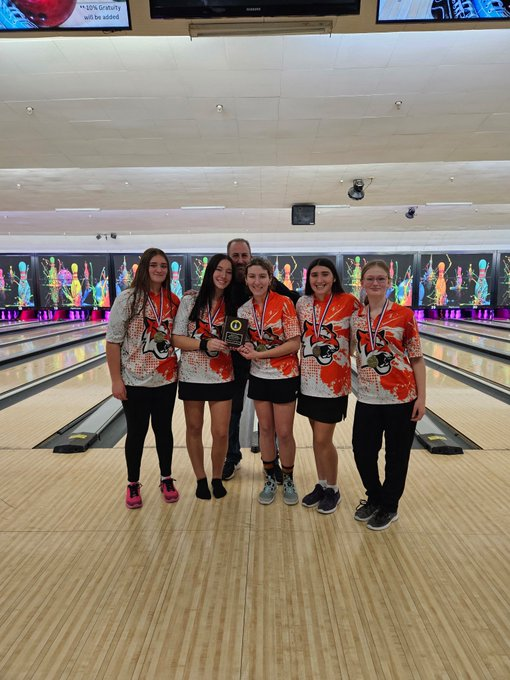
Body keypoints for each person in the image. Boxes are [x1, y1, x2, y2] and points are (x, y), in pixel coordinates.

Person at [351, 260, 426, 530]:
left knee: (396, 456)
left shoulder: (404, 315)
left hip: (402, 398)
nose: (375, 283)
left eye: (380, 279)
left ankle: (390, 506)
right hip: (368, 397)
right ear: (362, 283)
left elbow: (416, 359)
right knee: (362, 451)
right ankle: (374, 497)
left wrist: (422, 398)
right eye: (370, 279)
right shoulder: (356, 317)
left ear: (388, 283)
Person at [106, 248, 180, 509]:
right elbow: (113, 341)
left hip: (166, 379)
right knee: (136, 433)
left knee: (164, 431)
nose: (160, 270)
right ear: (145, 268)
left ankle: (166, 477)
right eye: (154, 265)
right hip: (135, 380)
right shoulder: (127, 299)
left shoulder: (172, 300)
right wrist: (116, 380)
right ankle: (133, 483)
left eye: (164, 265)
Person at [221, 238, 299, 482]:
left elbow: (294, 299)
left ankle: (279, 465)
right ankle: (232, 458)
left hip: (269, 364)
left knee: (279, 426)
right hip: (238, 360)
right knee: (234, 413)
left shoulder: (273, 289)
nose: (241, 260)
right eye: (236, 256)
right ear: (229, 258)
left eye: (245, 255)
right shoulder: (224, 284)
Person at [296, 258, 360, 514]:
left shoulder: (349, 302)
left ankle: (333, 488)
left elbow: (361, 335)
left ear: (334, 277)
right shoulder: (302, 303)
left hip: (334, 383)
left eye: (324, 274)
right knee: (316, 438)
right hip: (308, 380)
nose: (319, 280)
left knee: (324, 438)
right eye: (314, 275)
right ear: (308, 279)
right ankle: (322, 484)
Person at [172, 254, 236, 500]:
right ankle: (200, 478)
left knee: (221, 432)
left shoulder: (234, 304)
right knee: (194, 428)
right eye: (219, 270)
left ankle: (217, 476)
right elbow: (177, 338)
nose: (223, 276)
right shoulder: (190, 302)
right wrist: (204, 343)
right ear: (210, 272)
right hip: (192, 374)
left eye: (229, 272)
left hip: (222, 375)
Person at [238, 257, 301, 505]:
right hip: (259, 376)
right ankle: (269, 478)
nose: (257, 281)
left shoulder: (284, 303)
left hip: (284, 376)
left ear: (270, 278)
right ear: (246, 280)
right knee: (265, 429)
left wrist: (260, 353)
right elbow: (245, 342)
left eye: (262, 276)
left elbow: (294, 342)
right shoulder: (244, 310)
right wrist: (243, 347)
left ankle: (288, 478)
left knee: (284, 433)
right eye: (252, 276)